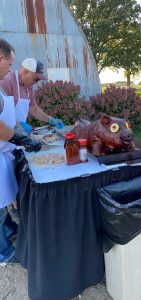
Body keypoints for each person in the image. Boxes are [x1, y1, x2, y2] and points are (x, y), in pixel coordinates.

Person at [0, 39, 42, 263]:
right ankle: (3, 252)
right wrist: (20, 135)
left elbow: (29, 109)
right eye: (9, 63)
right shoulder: (6, 81)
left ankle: (7, 229)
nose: (9, 68)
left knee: (5, 193)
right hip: (4, 143)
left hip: (5, 147)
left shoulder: (9, 83)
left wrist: (20, 135)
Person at [0, 57, 64, 134]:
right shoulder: (6, 81)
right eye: (35, 79)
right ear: (25, 72)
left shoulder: (28, 87)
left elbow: (33, 109)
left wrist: (51, 119)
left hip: (18, 134)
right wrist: (17, 124)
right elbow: (3, 113)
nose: (36, 83)